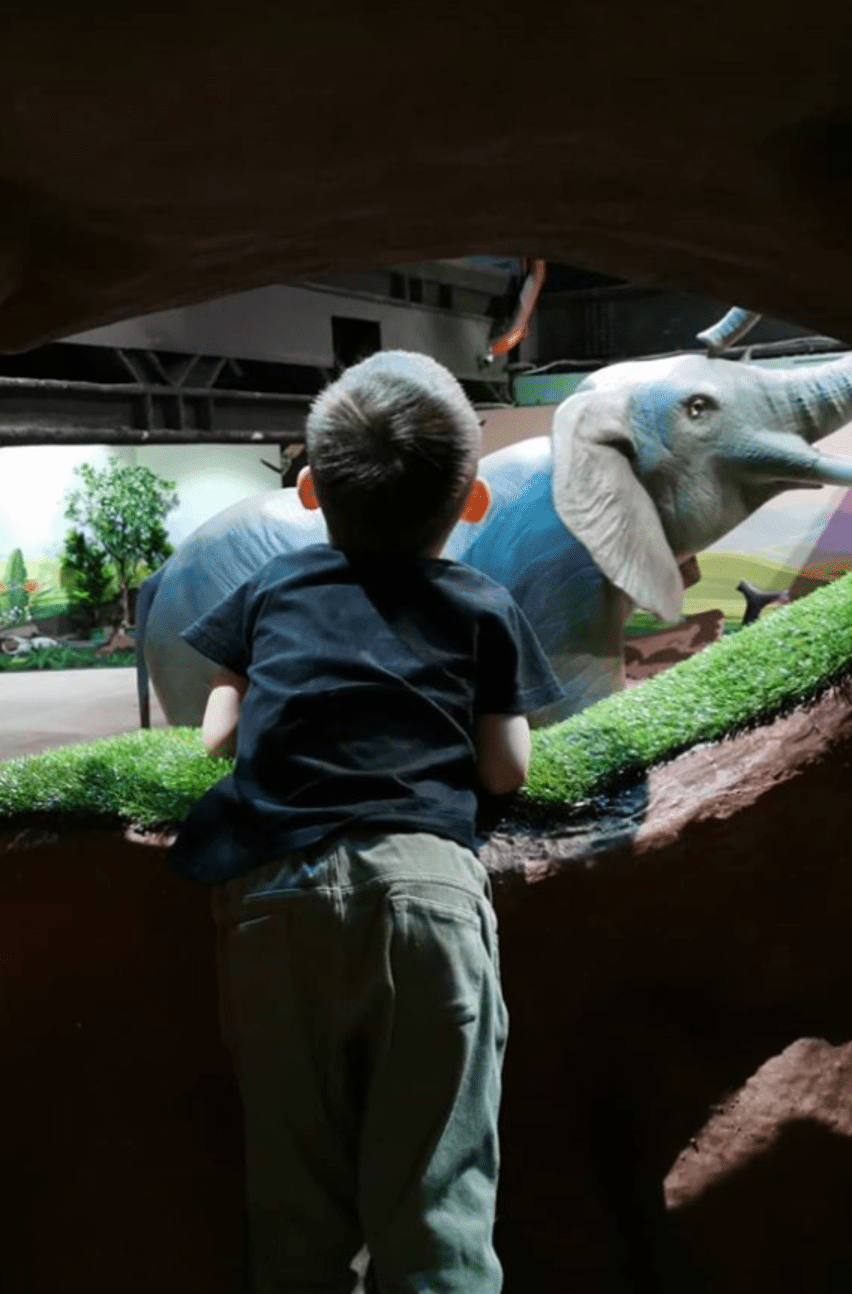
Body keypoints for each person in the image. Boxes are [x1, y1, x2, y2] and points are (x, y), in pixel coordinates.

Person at [168, 350, 565, 1294]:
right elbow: (505, 765)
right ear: (473, 502)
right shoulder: (482, 602)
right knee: (436, 1207)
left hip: (273, 893)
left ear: (307, 491)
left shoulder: (273, 589)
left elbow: (216, 728)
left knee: (297, 1210)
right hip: (425, 894)